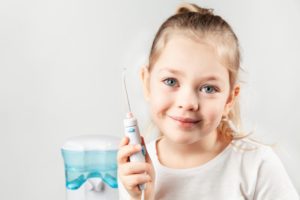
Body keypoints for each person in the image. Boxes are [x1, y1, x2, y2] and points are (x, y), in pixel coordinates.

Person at [117, 3, 299, 200]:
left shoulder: (257, 165)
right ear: (146, 83)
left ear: (229, 99)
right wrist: (141, 197)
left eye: (208, 88)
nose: (187, 103)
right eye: (171, 81)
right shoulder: (136, 171)